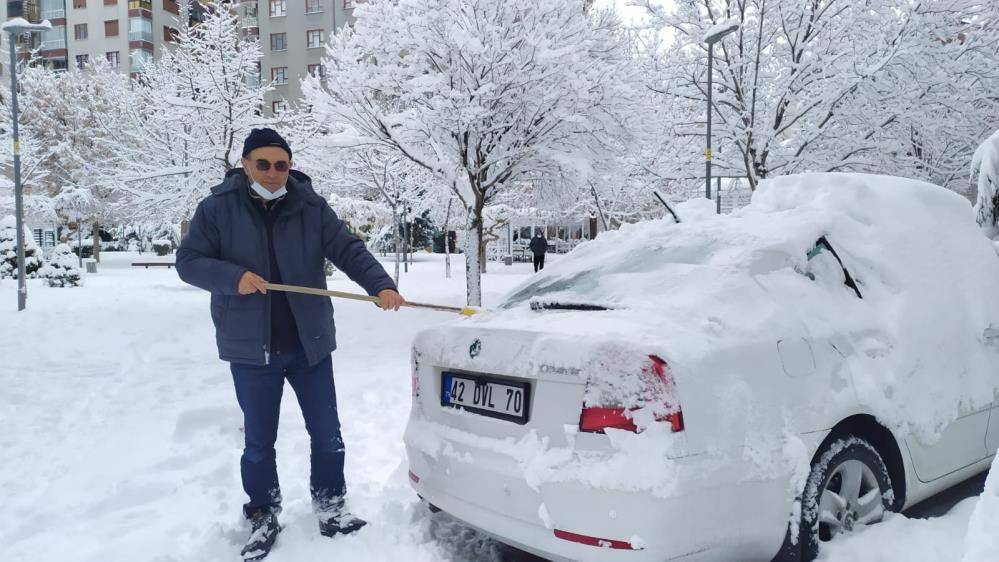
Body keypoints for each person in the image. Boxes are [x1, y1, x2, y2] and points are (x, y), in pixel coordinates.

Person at [176, 128, 406, 561]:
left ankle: (331, 505)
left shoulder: (310, 206)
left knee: (327, 432)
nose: (273, 173)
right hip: (251, 348)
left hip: (309, 344)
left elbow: (347, 248)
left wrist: (380, 284)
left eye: (281, 165)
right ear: (245, 165)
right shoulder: (216, 209)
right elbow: (188, 262)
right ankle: (263, 514)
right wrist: (233, 278)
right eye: (263, 163)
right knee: (259, 442)